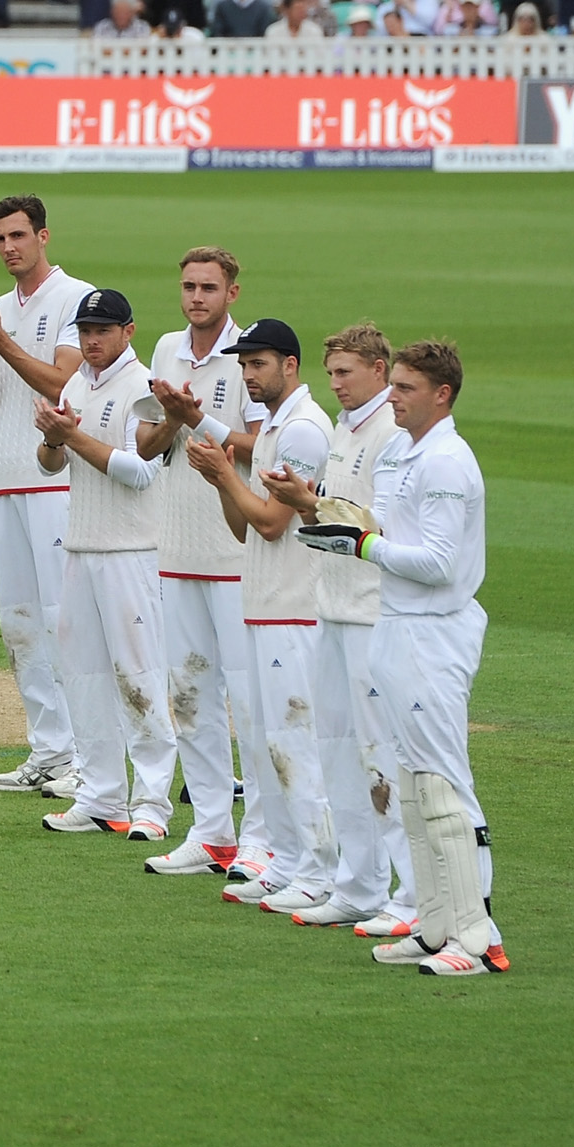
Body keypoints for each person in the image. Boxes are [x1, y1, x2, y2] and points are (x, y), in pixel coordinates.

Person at [292, 339, 508, 976]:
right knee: (410, 783)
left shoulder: (447, 461)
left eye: (408, 388)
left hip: (435, 633)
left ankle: (478, 936)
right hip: (392, 624)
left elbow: (438, 564)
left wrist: (361, 547)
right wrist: (324, 513)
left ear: (442, 395)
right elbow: (379, 524)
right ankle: (435, 924)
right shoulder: (397, 452)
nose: (395, 397)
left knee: (443, 786)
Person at [266, 324, 417, 935]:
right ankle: (358, 887)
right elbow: (333, 515)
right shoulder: (343, 428)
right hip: (330, 606)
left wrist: (312, 504)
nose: (336, 384)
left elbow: (379, 524)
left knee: (382, 754)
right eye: (331, 374)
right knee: (335, 749)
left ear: (379, 370)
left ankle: (411, 899)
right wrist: (306, 501)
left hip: (372, 614)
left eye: (346, 373)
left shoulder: (392, 435)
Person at [183, 317, 337, 916]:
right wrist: (223, 482)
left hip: (296, 609)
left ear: (290, 365)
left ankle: (319, 872)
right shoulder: (273, 429)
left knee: (296, 742)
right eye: (244, 366)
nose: (248, 375)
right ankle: (291, 864)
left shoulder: (301, 430)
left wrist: (225, 473)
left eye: (259, 364)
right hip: (267, 603)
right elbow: (244, 524)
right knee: (274, 740)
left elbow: (275, 524)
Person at [30, 285, 180, 841]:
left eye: (103, 331)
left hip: (131, 554)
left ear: (128, 332)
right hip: (82, 549)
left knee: (138, 677)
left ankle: (152, 805)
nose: (92, 341)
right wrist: (52, 440)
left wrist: (73, 438)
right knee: (86, 678)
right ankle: (100, 797)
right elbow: (50, 466)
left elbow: (141, 471)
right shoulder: (74, 383)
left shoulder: (144, 389)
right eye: (85, 332)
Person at [0, 196, 87, 797]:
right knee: (21, 623)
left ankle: (88, 753)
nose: (8, 247)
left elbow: (62, 384)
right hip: (4, 477)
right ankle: (50, 749)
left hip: (56, 478)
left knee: (65, 622)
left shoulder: (77, 299)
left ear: (43, 236)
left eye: (17, 236)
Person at [131, 246, 259, 878]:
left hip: (236, 551)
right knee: (190, 696)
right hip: (175, 546)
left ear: (233, 292)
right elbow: (147, 442)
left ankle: (264, 841)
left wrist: (198, 418)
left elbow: (263, 447)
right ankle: (212, 834)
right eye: (188, 286)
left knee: (252, 699)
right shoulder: (164, 349)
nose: (197, 297)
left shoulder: (251, 359)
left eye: (210, 287)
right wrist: (170, 419)